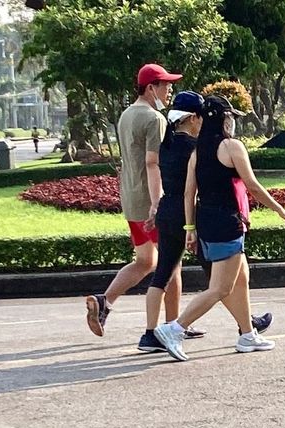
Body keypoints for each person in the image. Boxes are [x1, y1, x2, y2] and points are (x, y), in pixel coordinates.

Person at [153, 95, 285, 361]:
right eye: (230, 117)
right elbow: (252, 185)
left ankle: (247, 333)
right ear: (222, 119)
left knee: (242, 278)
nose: (232, 122)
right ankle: (175, 328)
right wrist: (280, 210)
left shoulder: (198, 151)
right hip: (226, 223)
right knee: (220, 288)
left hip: (207, 221)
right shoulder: (232, 147)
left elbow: (188, 194)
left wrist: (190, 227)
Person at [83, 62, 181, 337]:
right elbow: (153, 163)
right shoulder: (155, 119)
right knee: (172, 263)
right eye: (165, 84)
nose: (170, 89)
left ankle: (105, 301)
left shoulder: (126, 115)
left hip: (130, 197)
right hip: (150, 198)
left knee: (145, 261)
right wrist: (157, 202)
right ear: (151, 88)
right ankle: (174, 326)